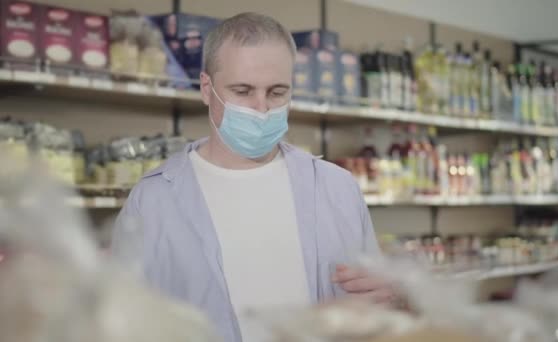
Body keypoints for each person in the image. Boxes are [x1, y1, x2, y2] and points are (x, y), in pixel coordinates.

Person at [112, 12, 395, 342]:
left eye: (277, 92)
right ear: (207, 88)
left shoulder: (337, 188)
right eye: (243, 90)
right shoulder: (152, 200)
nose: (261, 109)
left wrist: (394, 297)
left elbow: (376, 310)